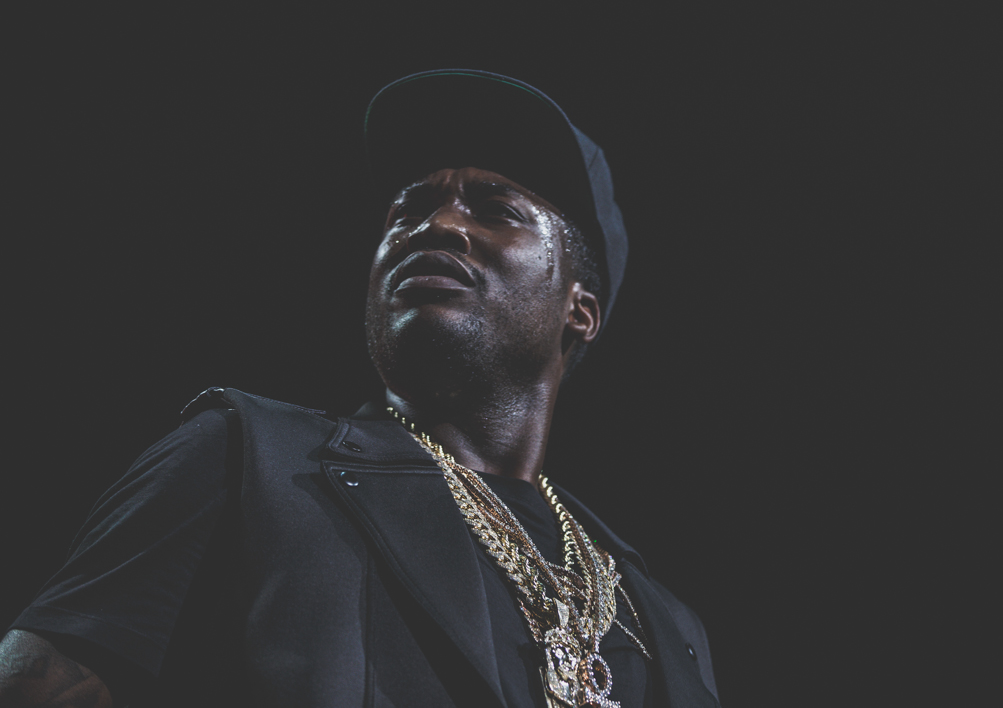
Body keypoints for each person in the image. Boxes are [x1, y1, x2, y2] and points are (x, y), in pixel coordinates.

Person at [0, 69, 720, 707]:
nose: (437, 224)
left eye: (495, 210)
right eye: (408, 210)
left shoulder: (662, 620)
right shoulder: (246, 459)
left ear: (579, 310)